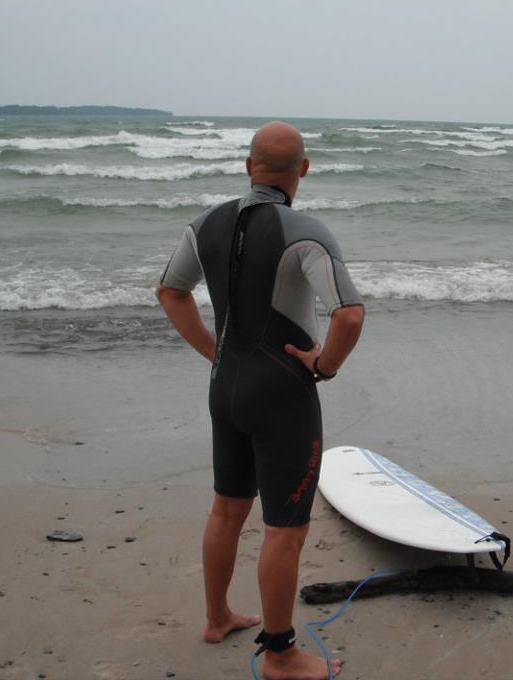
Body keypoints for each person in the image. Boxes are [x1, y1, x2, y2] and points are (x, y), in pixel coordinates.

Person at [156, 121, 364, 679]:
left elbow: (170, 291)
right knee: (285, 528)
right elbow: (349, 313)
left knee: (227, 507)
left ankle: (218, 615)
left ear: (248, 166)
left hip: (224, 388)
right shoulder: (306, 231)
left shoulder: (204, 224)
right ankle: (280, 654)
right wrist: (324, 365)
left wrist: (214, 352)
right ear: (304, 169)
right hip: (282, 395)